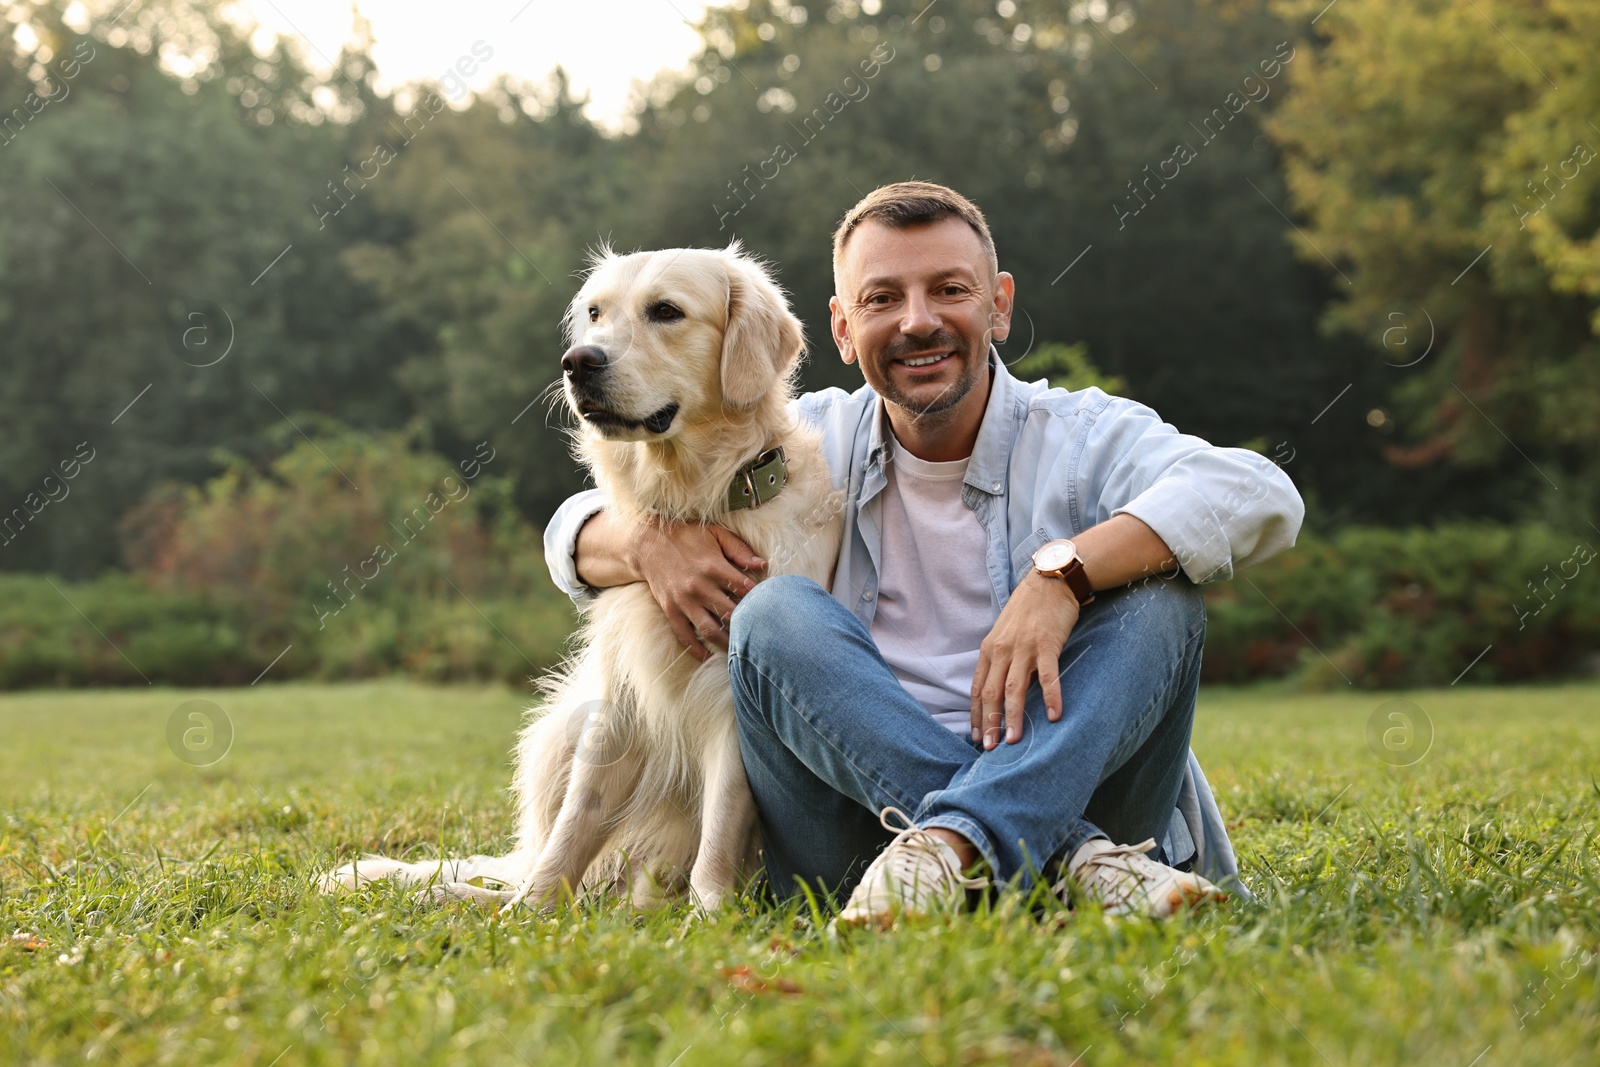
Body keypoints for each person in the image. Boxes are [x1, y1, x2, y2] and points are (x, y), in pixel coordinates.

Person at [545, 181, 1303, 927]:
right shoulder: (796, 445)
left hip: (1083, 789)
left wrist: (1064, 573)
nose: (917, 322)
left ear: (998, 305)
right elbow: (569, 531)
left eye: (948, 290)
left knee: (1161, 596)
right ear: (842, 329)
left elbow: (1258, 493)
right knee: (774, 613)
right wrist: (646, 539)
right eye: (881, 299)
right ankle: (1076, 864)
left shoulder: (1080, 437)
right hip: (853, 835)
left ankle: (960, 849)